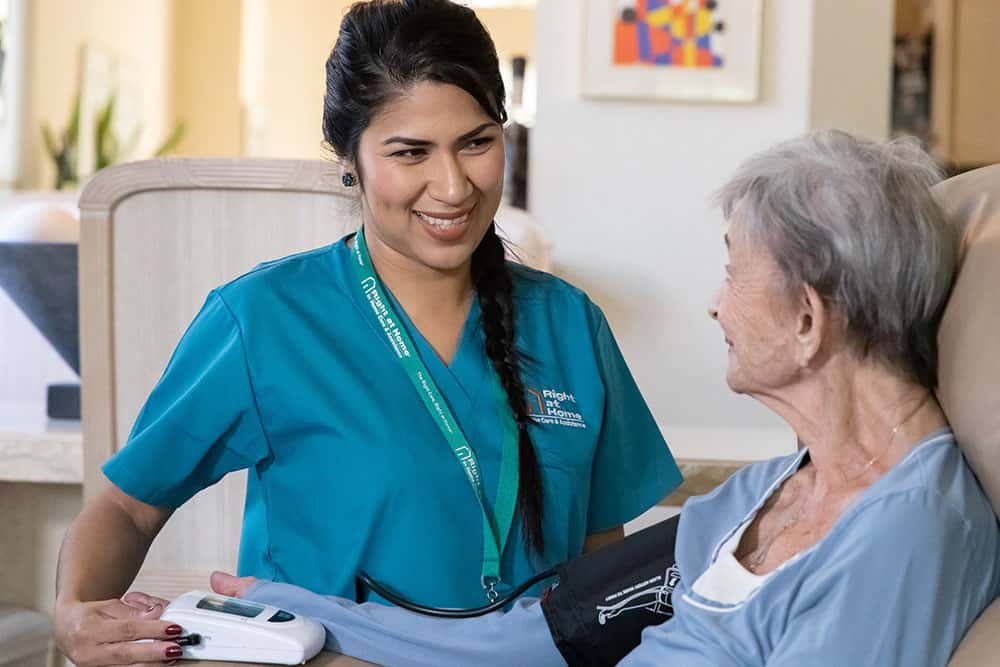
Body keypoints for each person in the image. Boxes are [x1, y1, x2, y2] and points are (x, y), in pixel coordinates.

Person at [216, 131, 1000, 666]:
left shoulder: (906, 530)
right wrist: (291, 607)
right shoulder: (774, 490)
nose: (716, 307)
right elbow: (541, 633)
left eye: (733, 271)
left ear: (807, 318)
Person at [51, 1, 682, 664]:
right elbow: (127, 507)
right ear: (349, 160)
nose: (453, 185)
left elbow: (601, 563)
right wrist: (74, 615)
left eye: (476, 141)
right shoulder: (264, 319)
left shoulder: (570, 323)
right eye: (411, 152)